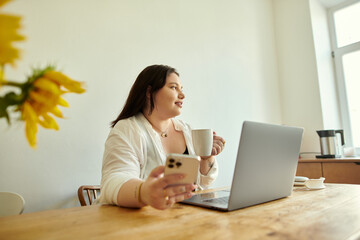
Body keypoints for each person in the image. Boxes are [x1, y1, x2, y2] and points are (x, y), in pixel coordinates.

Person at [99, 64, 226, 210]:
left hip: (183, 218)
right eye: (173, 87)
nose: (182, 95)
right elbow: (112, 182)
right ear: (149, 91)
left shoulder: (186, 130)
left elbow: (202, 184)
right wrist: (143, 192)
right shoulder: (127, 129)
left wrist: (206, 157)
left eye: (181, 89)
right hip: (140, 222)